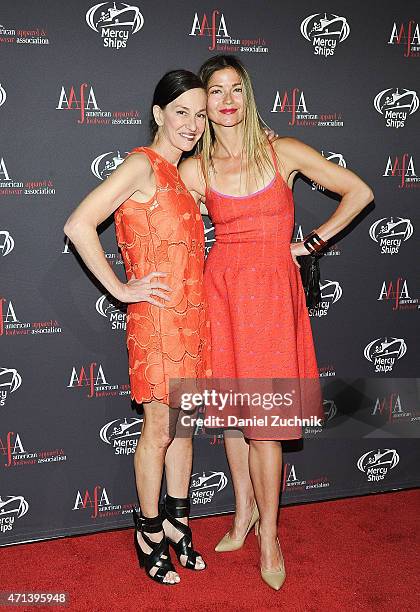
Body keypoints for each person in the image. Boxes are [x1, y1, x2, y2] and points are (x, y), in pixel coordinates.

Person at [179, 54, 374, 591]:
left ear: (248, 95)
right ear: (204, 103)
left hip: (270, 296)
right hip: (222, 293)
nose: (225, 100)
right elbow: (164, 218)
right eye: (214, 91)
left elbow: (359, 191)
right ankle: (243, 512)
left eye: (234, 88)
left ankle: (271, 534)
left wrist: (310, 245)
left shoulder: (281, 151)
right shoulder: (197, 169)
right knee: (237, 415)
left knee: (265, 423)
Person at [64, 70, 212, 586]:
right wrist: (121, 288)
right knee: (157, 430)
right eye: (181, 112)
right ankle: (147, 529)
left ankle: (178, 519)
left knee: (185, 429)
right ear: (158, 114)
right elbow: (79, 224)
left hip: (194, 320)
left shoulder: (185, 173)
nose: (192, 124)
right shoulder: (141, 165)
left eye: (199, 113)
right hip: (157, 323)